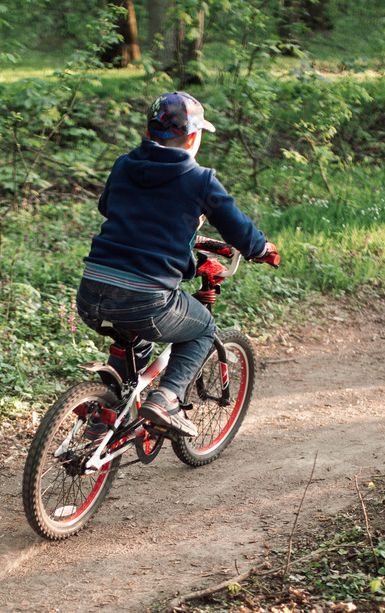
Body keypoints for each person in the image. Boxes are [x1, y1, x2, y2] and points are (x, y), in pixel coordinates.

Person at [76, 91, 279, 437]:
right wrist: (261, 248)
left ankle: (104, 418)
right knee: (202, 330)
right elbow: (238, 230)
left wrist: (176, 223)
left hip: (91, 290)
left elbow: (109, 208)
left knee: (134, 341)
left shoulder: (125, 164)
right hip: (147, 299)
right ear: (194, 138)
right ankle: (167, 398)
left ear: (148, 133)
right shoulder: (199, 179)